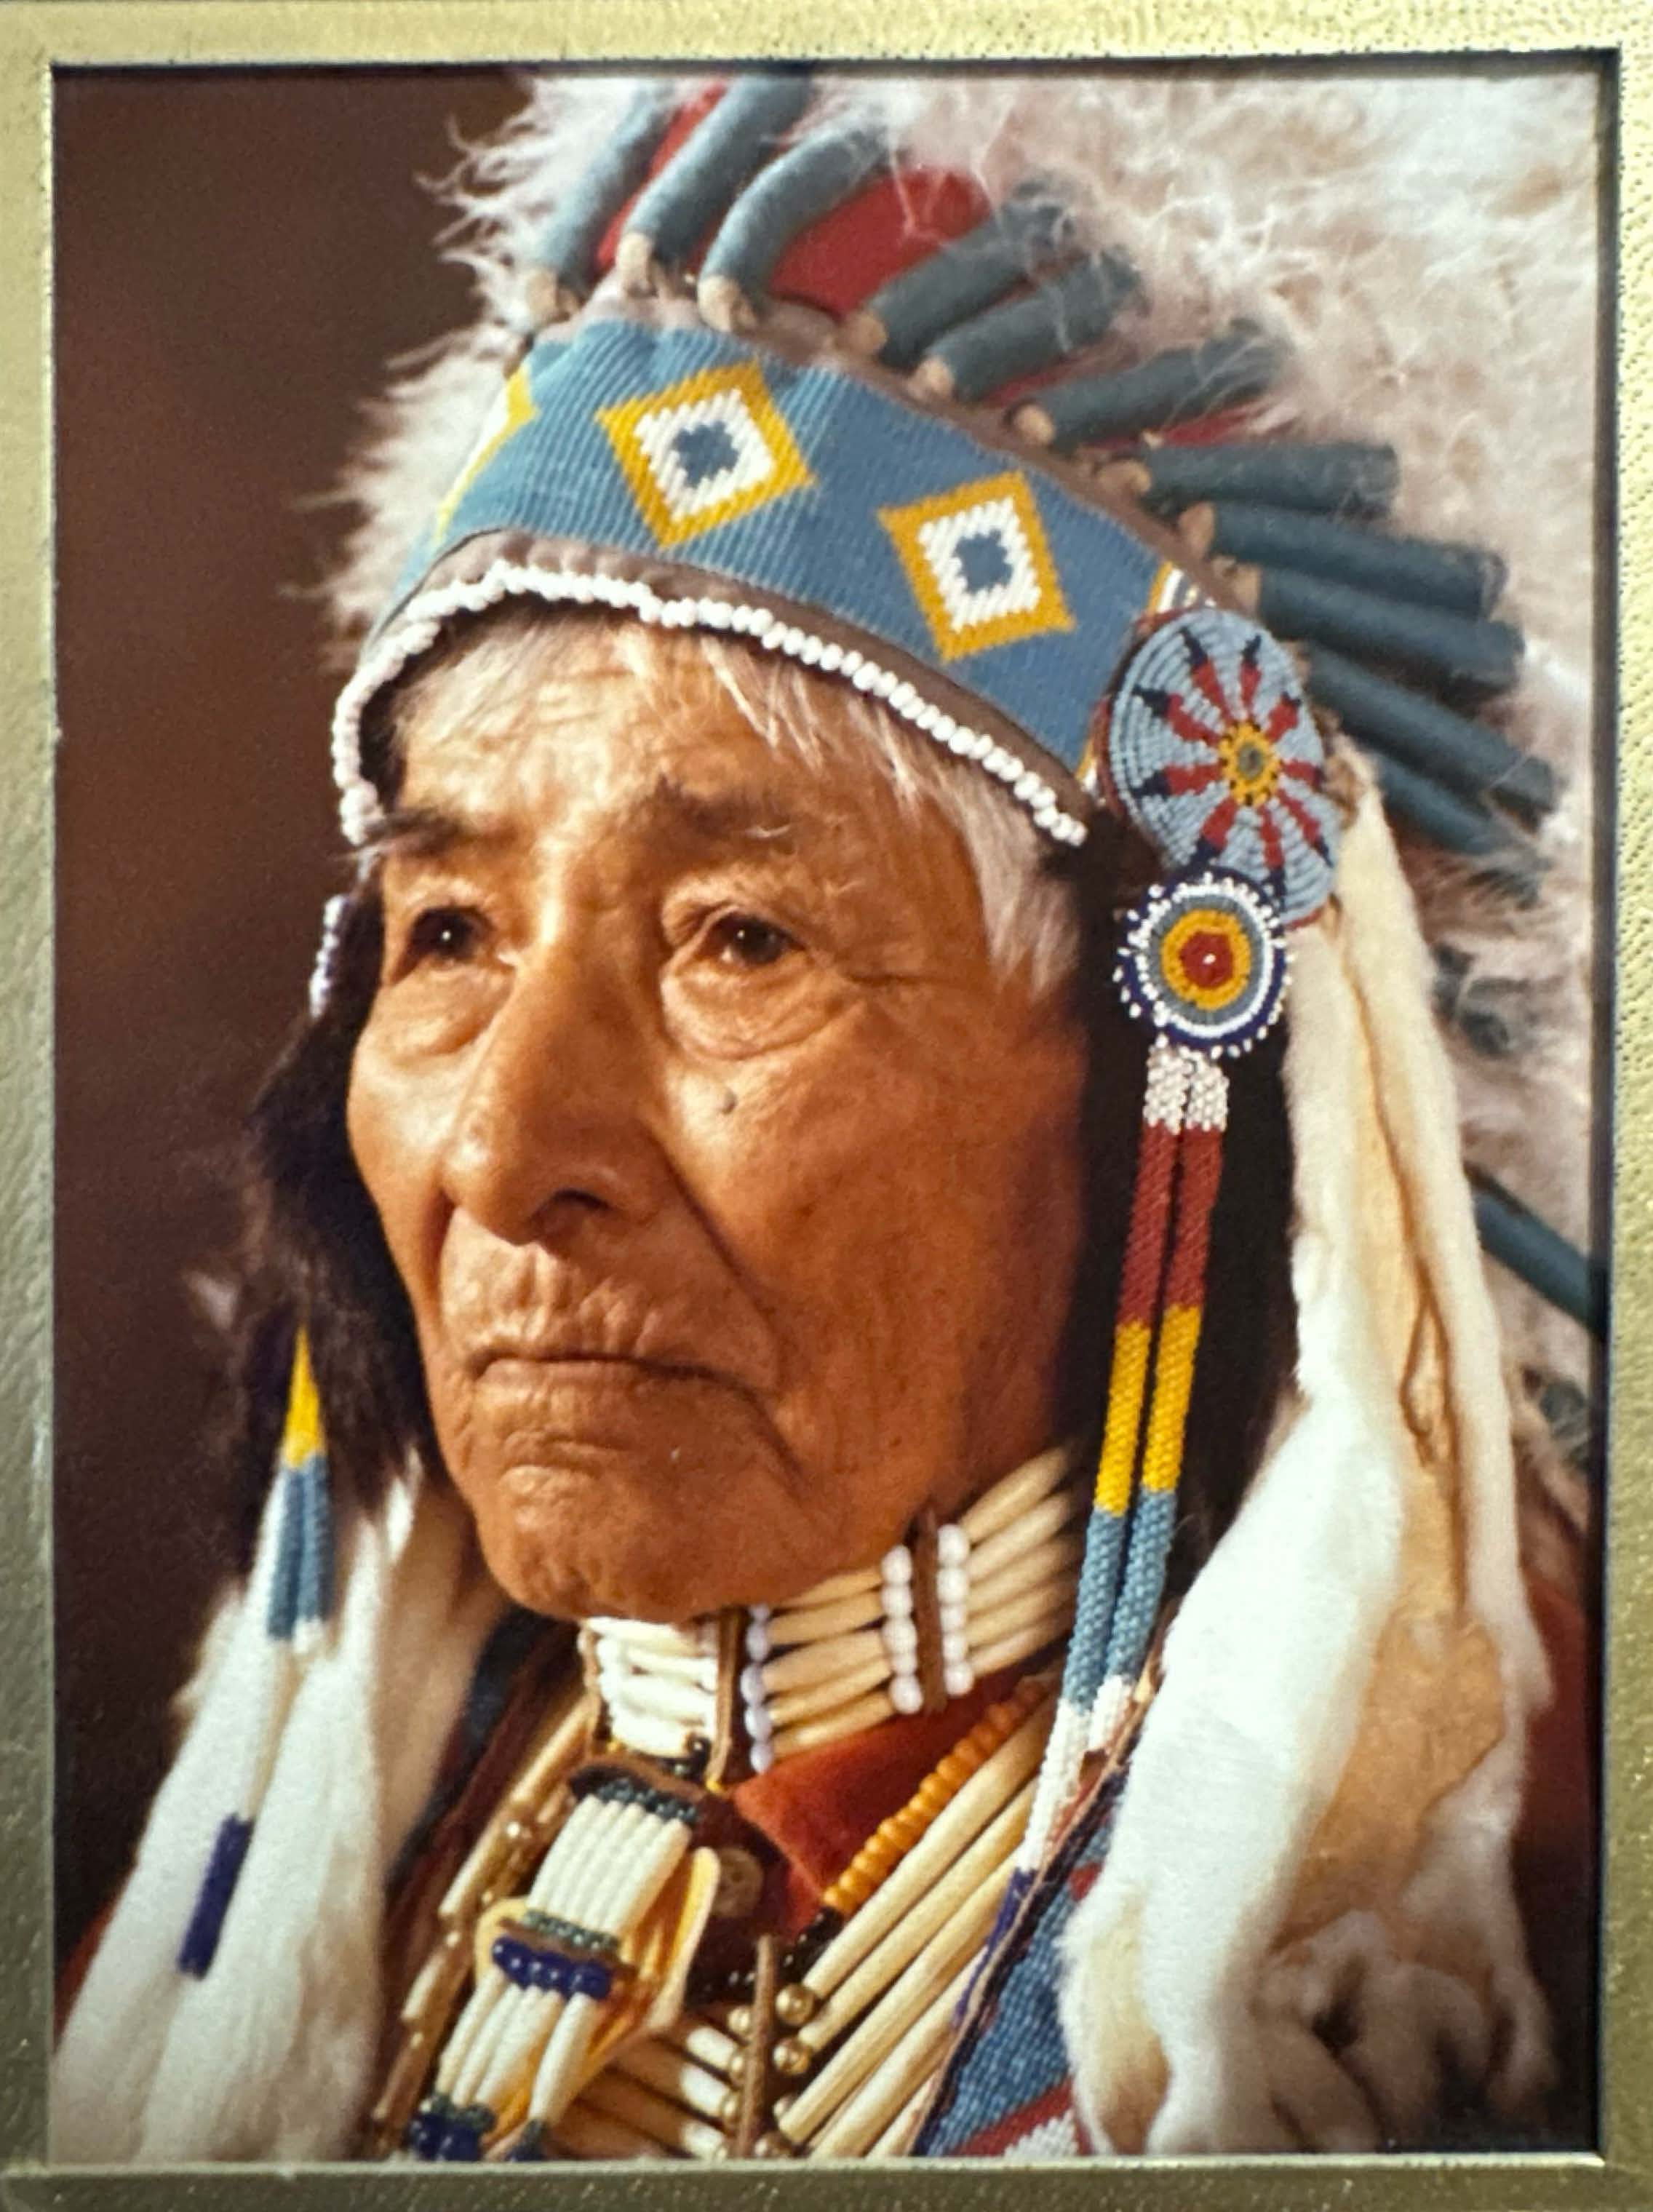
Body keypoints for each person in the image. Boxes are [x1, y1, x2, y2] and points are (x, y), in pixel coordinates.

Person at [54, 68, 1597, 2164]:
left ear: (1179, 1085)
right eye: (446, 936)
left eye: (742, 943)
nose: (507, 1154)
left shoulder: (1436, 2014)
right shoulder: (252, 1942)